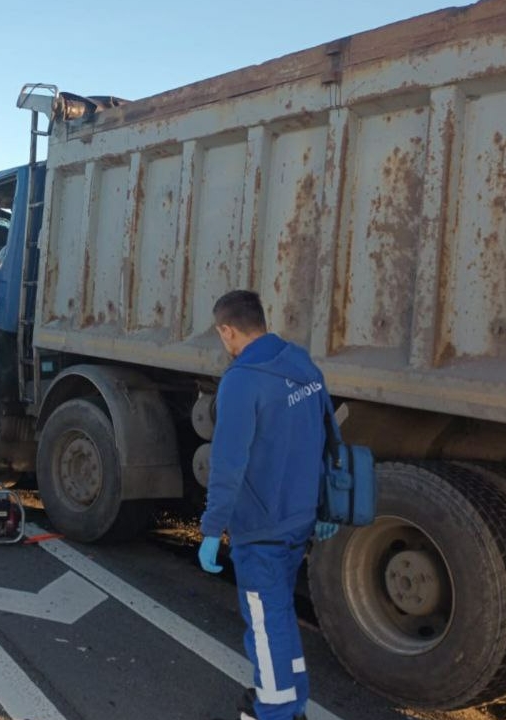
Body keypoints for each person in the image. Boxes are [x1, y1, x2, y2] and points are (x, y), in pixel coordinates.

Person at [197, 289, 337, 720]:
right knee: (278, 612)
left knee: (264, 618)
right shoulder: (300, 362)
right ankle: (289, 695)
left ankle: (274, 710)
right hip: (299, 517)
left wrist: (210, 528)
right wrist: (327, 505)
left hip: (261, 524)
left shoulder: (242, 379)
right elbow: (330, 433)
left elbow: (228, 463)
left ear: (228, 330)